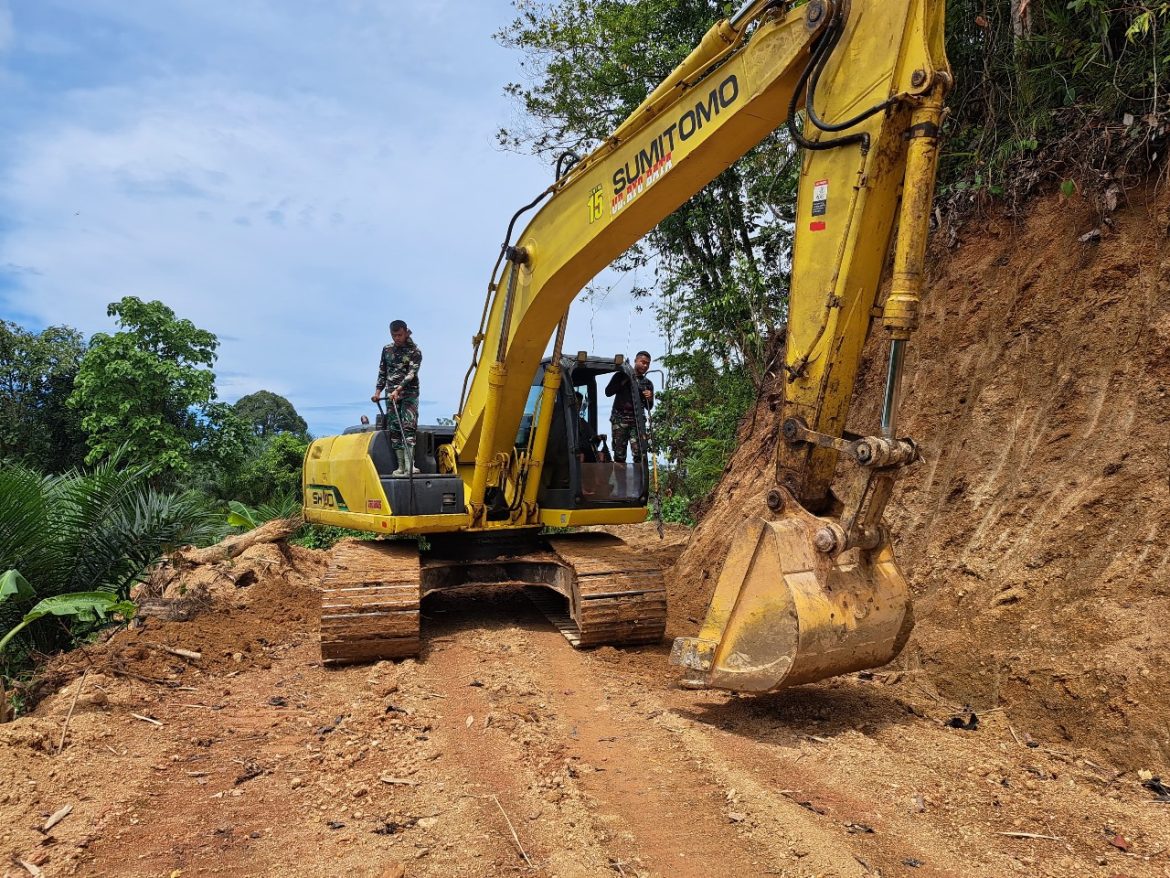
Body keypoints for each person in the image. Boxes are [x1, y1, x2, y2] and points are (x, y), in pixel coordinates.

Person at [371, 319, 422, 475]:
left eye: (399, 335)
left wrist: (399, 389)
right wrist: (378, 392)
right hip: (391, 395)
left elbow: (412, 373)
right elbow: (382, 372)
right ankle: (400, 467)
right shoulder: (387, 350)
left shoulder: (415, 351)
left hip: (409, 394)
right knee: (394, 428)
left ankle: (410, 466)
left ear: (406, 332)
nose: (397, 338)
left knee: (408, 426)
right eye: (394, 336)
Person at [604, 350, 653, 463]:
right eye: (643, 362)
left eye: (647, 364)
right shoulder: (621, 375)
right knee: (619, 455)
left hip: (637, 422)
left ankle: (639, 480)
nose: (645, 365)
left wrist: (649, 397)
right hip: (620, 420)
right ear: (636, 361)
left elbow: (649, 406)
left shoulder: (647, 383)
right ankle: (620, 480)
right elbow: (608, 392)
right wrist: (624, 381)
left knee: (640, 454)